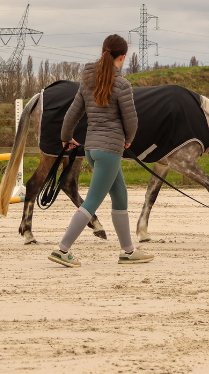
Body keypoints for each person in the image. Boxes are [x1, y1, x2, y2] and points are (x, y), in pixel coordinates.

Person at [49, 34, 153, 267]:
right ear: (122, 57)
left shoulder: (87, 81)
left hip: (92, 148)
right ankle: (62, 249)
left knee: (120, 195)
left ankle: (127, 251)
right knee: (93, 201)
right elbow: (132, 122)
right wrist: (128, 140)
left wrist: (66, 139)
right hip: (110, 149)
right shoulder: (123, 85)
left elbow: (71, 115)